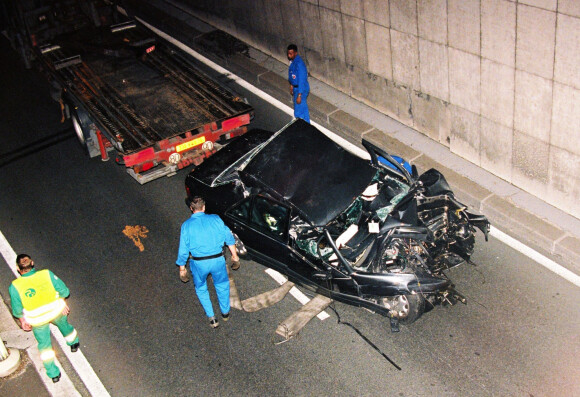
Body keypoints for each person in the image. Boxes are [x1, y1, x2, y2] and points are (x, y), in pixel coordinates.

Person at [9, 254, 80, 383]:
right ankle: (73, 343)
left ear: (18, 269)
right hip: (56, 311)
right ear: (33, 263)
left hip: (37, 320)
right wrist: (62, 302)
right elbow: (64, 291)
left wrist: (23, 321)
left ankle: (54, 374)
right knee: (65, 327)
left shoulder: (15, 286)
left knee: (45, 346)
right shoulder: (46, 274)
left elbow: (17, 310)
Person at [176, 196, 240, 328]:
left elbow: (183, 250)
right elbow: (229, 239)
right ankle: (225, 313)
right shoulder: (216, 219)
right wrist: (235, 256)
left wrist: (182, 268)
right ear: (204, 207)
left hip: (199, 264)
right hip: (218, 260)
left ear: (191, 209)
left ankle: (212, 318)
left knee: (201, 288)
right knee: (222, 285)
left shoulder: (186, 226)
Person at [287, 44, 310, 123]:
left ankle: (301, 124)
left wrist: (299, 95)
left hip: (301, 89)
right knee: (303, 109)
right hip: (296, 88)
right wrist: (291, 85)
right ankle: (307, 124)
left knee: (298, 111)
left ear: (295, 53)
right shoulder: (292, 62)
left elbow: (301, 80)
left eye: (291, 53)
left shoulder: (299, 64)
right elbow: (293, 76)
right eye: (288, 53)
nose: (289, 55)